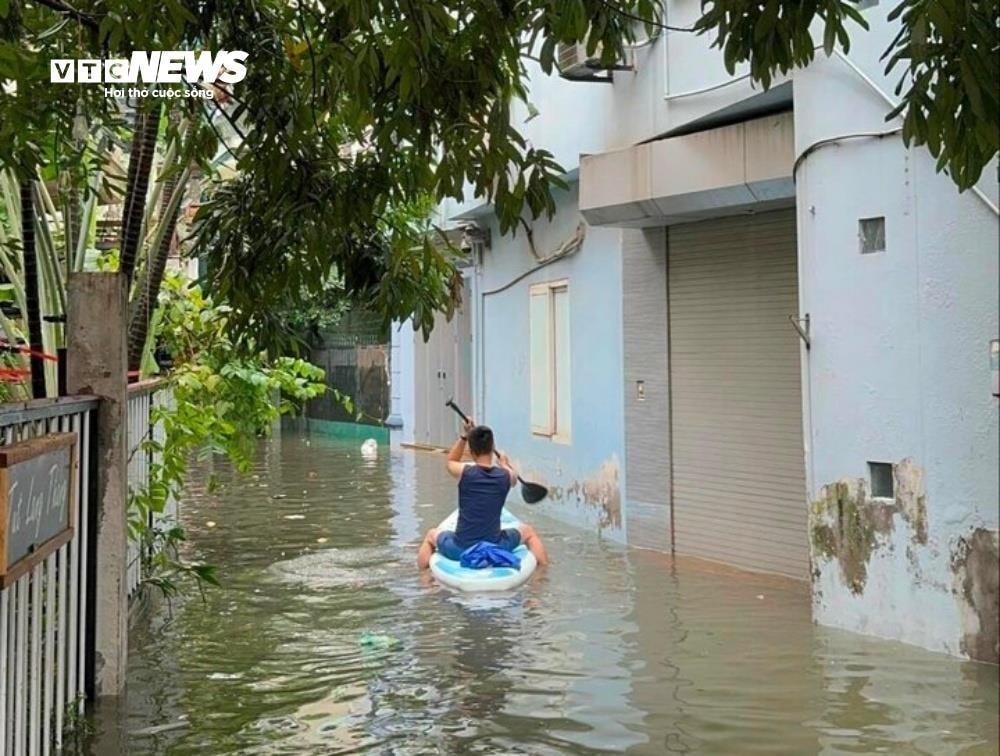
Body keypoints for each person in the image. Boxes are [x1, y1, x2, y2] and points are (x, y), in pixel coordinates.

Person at [417, 418, 549, 569]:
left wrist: (464, 436)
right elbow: (512, 477)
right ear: (492, 448)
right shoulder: (506, 476)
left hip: (460, 548)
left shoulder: (464, 472)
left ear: (471, 452)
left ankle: (425, 581)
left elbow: (451, 460)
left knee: (430, 535)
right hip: (495, 546)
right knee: (529, 532)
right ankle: (542, 576)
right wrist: (505, 464)